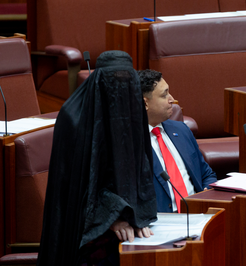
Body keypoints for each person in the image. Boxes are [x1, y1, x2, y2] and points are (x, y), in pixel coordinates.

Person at [37, 51, 157, 266]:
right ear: (98, 81)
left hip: (130, 233)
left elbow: (140, 172)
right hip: (82, 236)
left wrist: (137, 215)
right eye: (114, 82)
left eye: (128, 83)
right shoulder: (72, 119)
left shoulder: (132, 111)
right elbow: (76, 189)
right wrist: (113, 217)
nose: (122, 91)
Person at [138, 69, 217, 213]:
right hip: (162, 224)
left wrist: (207, 193)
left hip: (198, 214)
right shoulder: (131, 143)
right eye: (164, 95)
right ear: (145, 103)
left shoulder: (181, 130)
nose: (172, 99)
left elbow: (206, 174)